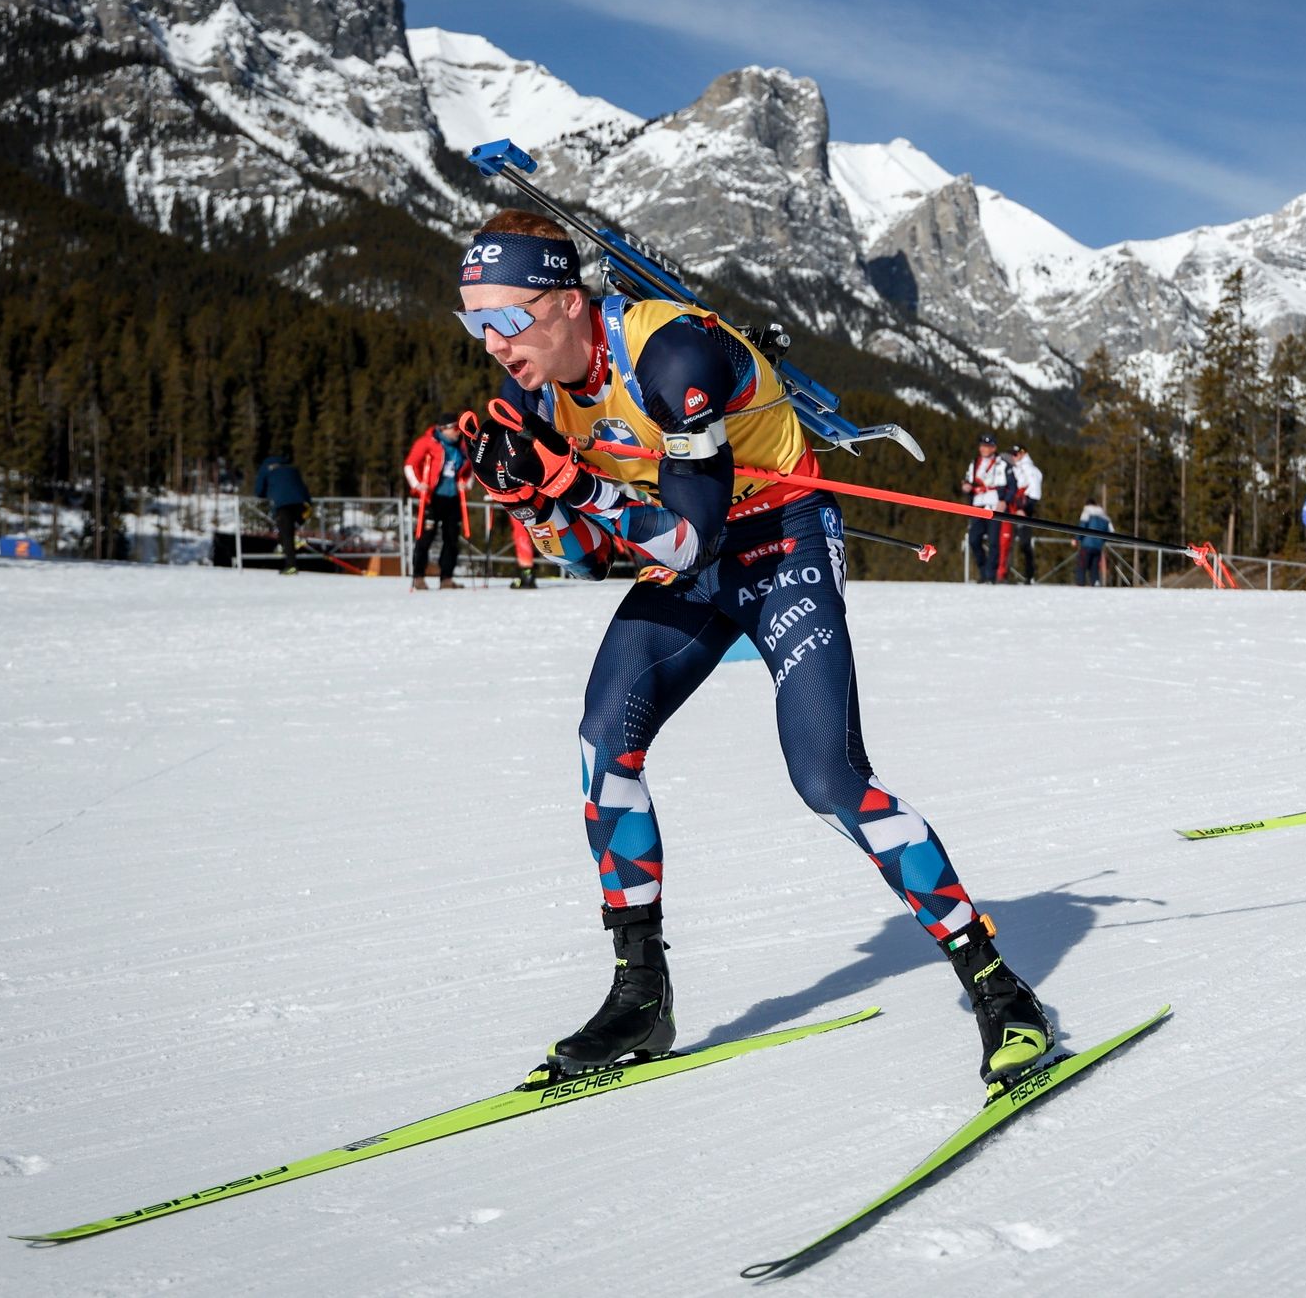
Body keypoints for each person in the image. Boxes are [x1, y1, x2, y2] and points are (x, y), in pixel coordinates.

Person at [451, 209, 1052, 1092]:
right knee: (602, 745)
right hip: (691, 559)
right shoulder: (545, 397)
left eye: (506, 318)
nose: (495, 344)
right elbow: (581, 561)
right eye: (475, 325)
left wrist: (574, 485)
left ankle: (996, 984)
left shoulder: (673, 354)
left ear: (569, 301)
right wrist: (534, 506)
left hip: (779, 543)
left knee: (828, 778)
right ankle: (640, 994)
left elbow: (691, 537)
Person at [405, 412, 473, 590]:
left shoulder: (461, 446)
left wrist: (466, 483)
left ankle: (447, 578)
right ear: (443, 429)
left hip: (452, 498)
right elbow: (410, 464)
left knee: (451, 538)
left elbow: (470, 467)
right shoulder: (428, 442)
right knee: (425, 537)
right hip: (432, 497)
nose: (458, 432)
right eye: (454, 428)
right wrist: (418, 484)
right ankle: (418, 576)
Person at [959, 435, 1014, 584]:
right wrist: (966, 487)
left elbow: (1012, 486)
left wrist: (1004, 501)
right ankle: (983, 571)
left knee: (993, 542)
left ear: (994, 448)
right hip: (977, 505)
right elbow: (968, 480)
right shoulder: (975, 463)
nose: (984, 448)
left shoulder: (1002, 464)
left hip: (994, 506)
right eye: (982, 445)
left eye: (988, 446)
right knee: (974, 539)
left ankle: (991, 575)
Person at [252, 453, 311, 576]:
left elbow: (258, 491)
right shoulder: (291, 468)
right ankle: (290, 544)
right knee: (288, 529)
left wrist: (267, 494)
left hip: (283, 505)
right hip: (302, 505)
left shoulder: (266, 468)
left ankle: (291, 565)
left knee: (286, 533)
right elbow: (303, 488)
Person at [1000, 444, 1045, 583]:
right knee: (1008, 541)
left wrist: (1024, 509)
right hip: (1014, 507)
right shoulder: (1017, 468)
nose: (1014, 456)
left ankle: (1029, 575)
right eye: (1013, 454)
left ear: (1023, 454)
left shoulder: (1030, 469)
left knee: (1024, 544)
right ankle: (1005, 573)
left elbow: (1035, 493)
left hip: (1023, 509)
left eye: (1016, 454)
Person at [1075, 499, 1112, 586]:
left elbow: (1082, 527)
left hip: (1087, 545)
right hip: (1098, 547)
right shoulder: (1104, 516)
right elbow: (1110, 532)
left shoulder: (1087, 512)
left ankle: (1080, 585)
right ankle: (1096, 585)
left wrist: (1077, 539)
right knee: (1094, 568)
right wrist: (1101, 541)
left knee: (1082, 566)